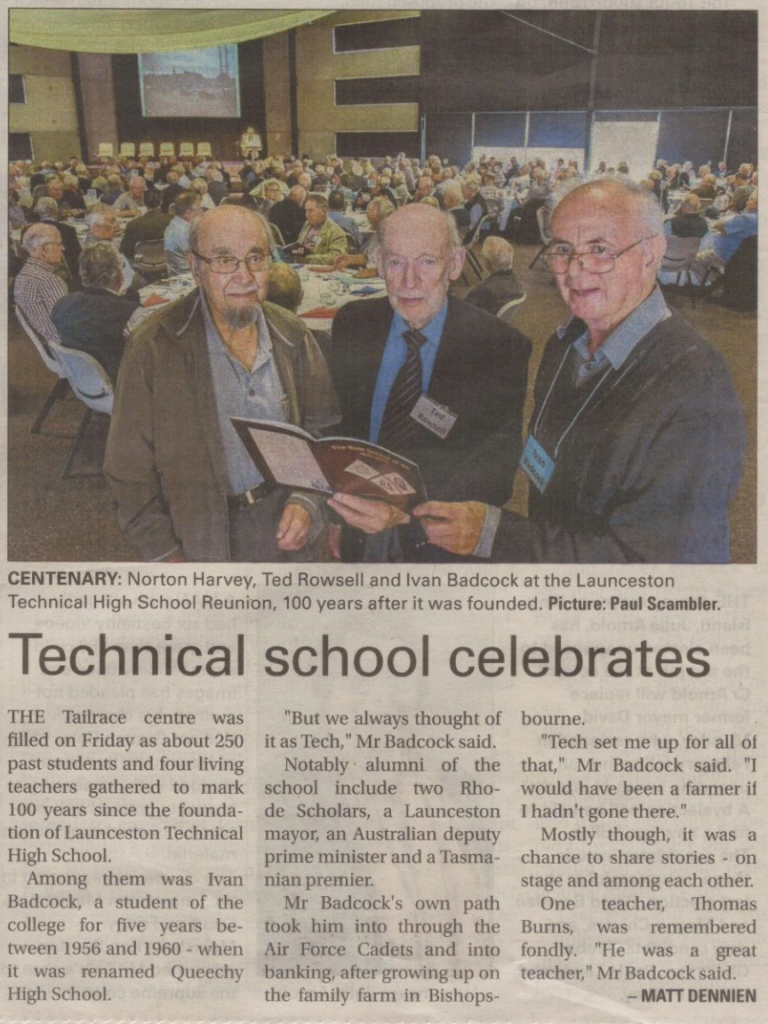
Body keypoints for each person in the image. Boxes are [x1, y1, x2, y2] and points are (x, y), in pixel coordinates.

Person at [414, 178, 744, 563]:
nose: (575, 270)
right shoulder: (565, 342)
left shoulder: (694, 391)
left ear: (652, 253)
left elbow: (656, 571)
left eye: (600, 249)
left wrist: (493, 533)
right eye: (563, 249)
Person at [104, 205, 339, 563]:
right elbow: (127, 469)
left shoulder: (292, 333)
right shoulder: (153, 346)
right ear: (196, 268)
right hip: (201, 537)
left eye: (255, 257)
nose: (243, 275)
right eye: (224, 260)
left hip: (288, 529)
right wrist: (164, 553)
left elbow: (321, 430)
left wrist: (305, 501)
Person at [327, 203, 531, 562]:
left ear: (454, 264)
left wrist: (406, 512)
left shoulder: (497, 346)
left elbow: (497, 467)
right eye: (395, 262)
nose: (409, 281)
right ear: (377, 261)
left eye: (426, 262)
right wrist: (335, 514)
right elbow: (339, 427)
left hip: (439, 540)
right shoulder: (352, 325)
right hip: (358, 522)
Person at [50, 244, 138, 383]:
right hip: (122, 383)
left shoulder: (61, 305)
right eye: (122, 266)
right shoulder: (128, 312)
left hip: (83, 380)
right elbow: (142, 350)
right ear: (116, 272)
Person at [13, 222, 69, 349]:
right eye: (58, 244)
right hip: (66, 348)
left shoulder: (24, 274)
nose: (63, 248)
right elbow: (67, 322)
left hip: (49, 345)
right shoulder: (48, 280)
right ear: (42, 249)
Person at [464, 236, 524, 315]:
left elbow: (463, 312)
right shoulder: (517, 282)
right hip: (496, 322)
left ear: (487, 264)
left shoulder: (483, 289)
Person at [293, 193, 348, 265]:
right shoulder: (307, 224)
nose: (306, 215)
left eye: (311, 211)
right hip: (300, 264)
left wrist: (308, 259)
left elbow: (337, 257)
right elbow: (300, 244)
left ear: (323, 211)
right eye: (306, 211)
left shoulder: (336, 232)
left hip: (319, 268)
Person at [119, 189, 171, 260]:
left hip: (141, 263)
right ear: (161, 202)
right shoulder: (171, 221)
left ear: (143, 201)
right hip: (167, 261)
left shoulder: (133, 224)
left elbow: (126, 251)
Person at [163, 191, 202, 275]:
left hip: (185, 273)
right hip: (187, 278)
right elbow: (199, 260)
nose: (201, 212)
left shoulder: (175, 224)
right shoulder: (183, 232)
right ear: (188, 213)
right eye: (199, 209)